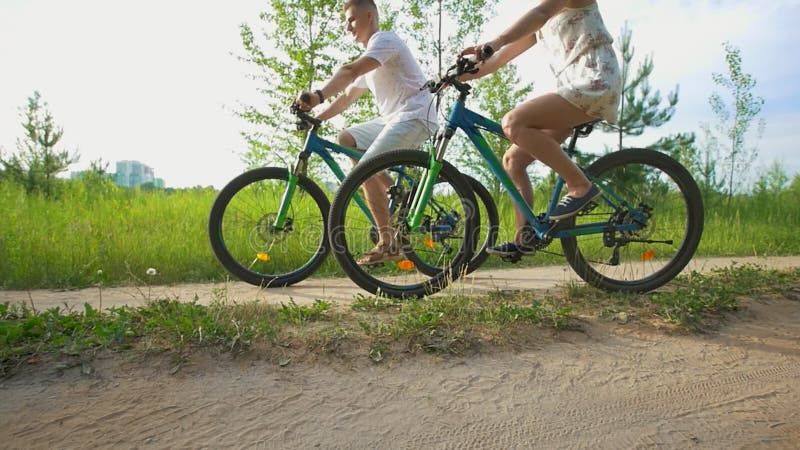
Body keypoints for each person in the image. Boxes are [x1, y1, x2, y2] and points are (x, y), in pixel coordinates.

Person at [460, 0, 621, 258]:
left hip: (594, 81)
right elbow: (496, 60)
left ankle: (580, 185)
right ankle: (525, 237)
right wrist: (454, 75)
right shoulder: (541, 25)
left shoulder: (559, 7)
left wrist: (495, 41)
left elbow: (541, 11)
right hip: (573, 92)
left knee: (514, 123)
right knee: (514, 159)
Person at [295, 0, 437, 265]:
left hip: (416, 115)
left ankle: (387, 243)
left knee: (366, 169)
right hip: (394, 118)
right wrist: (317, 119)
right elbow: (348, 97)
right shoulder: (373, 54)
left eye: (351, 19)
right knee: (347, 138)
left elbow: (349, 72)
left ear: (369, 16)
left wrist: (317, 95)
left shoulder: (384, 40)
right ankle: (397, 191)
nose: (347, 27)